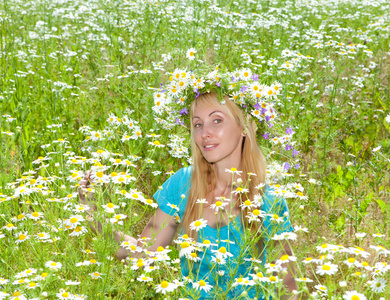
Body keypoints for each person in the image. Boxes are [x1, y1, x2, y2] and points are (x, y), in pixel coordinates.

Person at [79, 91, 298, 299]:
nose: (205, 133)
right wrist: (94, 217)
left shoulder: (268, 200)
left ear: (244, 126)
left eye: (217, 120)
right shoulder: (184, 184)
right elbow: (143, 256)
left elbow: (288, 289)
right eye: (197, 124)